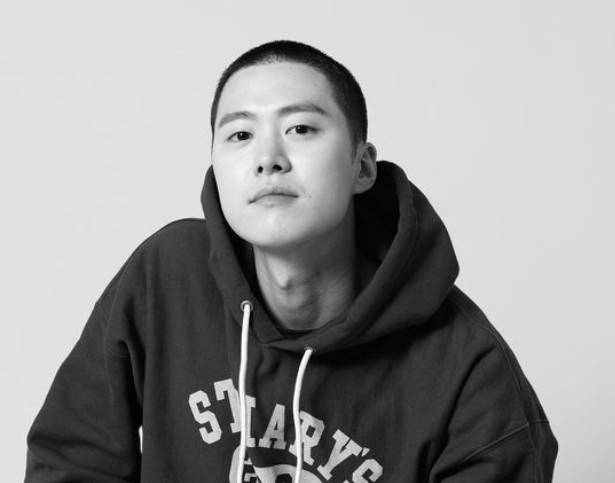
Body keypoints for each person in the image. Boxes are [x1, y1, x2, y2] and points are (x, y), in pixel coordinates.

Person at [24, 39, 558, 482]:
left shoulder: (467, 365)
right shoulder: (164, 280)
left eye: (300, 128)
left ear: (362, 167)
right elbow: (70, 463)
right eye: (240, 135)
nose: (268, 159)